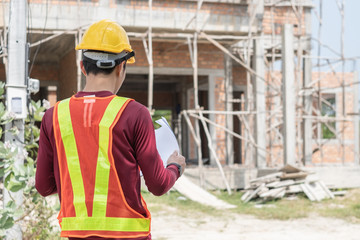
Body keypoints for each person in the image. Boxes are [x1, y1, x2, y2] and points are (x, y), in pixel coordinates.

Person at [35, 19, 186, 240]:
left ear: (82, 67)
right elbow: (158, 184)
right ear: (121, 67)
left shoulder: (54, 116)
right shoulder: (135, 113)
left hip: (77, 235)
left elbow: (44, 186)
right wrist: (175, 167)